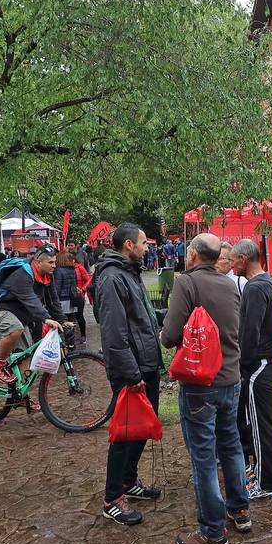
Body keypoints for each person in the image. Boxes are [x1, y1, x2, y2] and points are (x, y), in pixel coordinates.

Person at [160, 233, 250, 544]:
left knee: (204, 458)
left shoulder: (187, 283)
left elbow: (170, 337)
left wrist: (164, 331)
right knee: (232, 447)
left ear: (195, 254)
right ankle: (239, 511)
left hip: (201, 385)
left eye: (187, 251)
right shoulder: (231, 284)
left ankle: (213, 531)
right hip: (231, 380)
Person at [93, 224, 164, 526]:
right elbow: (113, 333)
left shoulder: (129, 272)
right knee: (124, 434)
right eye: (143, 243)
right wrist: (130, 372)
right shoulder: (111, 278)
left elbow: (142, 317)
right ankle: (113, 498)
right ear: (128, 246)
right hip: (132, 370)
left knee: (142, 428)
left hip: (145, 364)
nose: (148, 248)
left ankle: (128, 481)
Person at [231, 239, 272, 500]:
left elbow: (249, 332)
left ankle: (267, 482)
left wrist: (244, 363)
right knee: (268, 421)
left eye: (233, 260)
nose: (231, 265)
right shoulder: (267, 281)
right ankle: (264, 473)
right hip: (267, 361)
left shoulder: (254, 288)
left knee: (261, 426)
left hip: (259, 363)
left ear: (243, 258)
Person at [0, 245, 64, 389]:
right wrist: (46, 318)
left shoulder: (47, 277)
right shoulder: (22, 275)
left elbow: (53, 300)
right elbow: (30, 299)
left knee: (25, 356)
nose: (54, 266)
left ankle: (21, 395)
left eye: (55, 262)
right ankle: (0, 364)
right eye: (51, 263)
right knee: (15, 328)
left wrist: (62, 320)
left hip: (20, 315)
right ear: (38, 262)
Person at [52, 249, 82, 337]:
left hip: (62, 300)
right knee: (70, 322)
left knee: (62, 323)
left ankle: (64, 344)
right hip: (72, 300)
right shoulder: (72, 270)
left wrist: (54, 302)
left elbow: (57, 288)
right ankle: (71, 343)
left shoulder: (58, 271)